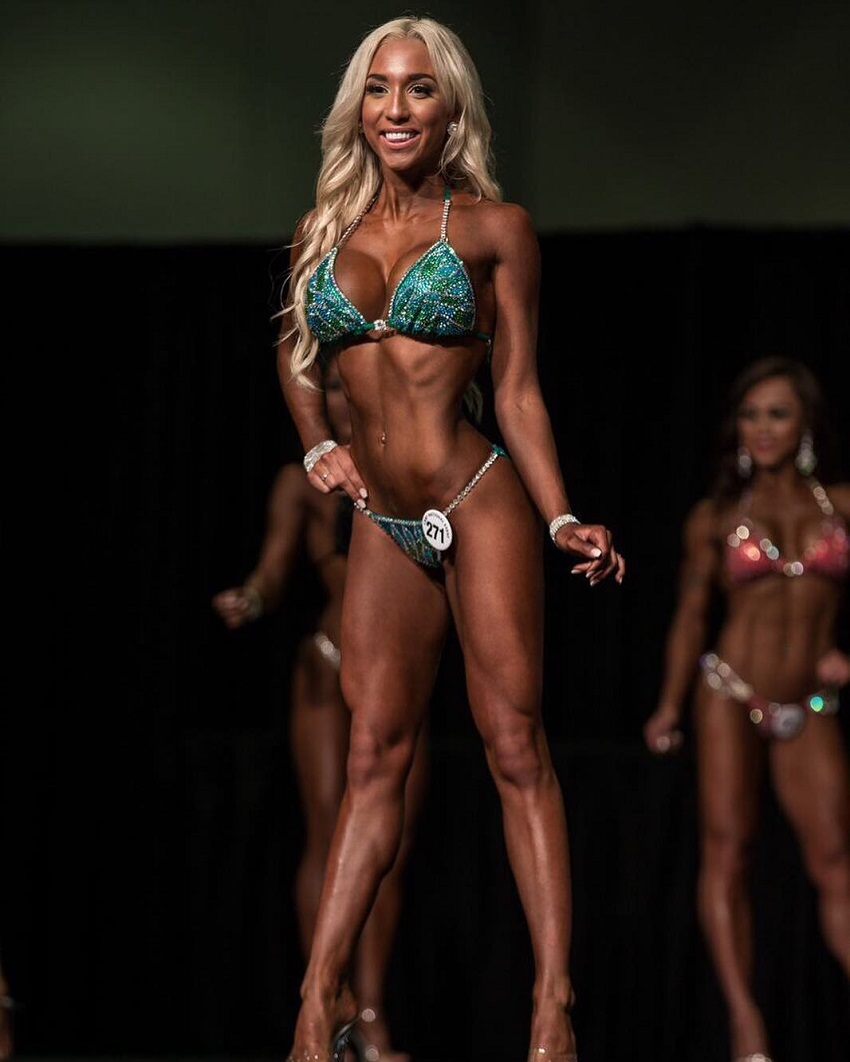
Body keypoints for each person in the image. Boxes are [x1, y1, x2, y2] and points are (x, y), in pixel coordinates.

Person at [274, 15, 626, 1062]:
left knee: (513, 747)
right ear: (358, 106)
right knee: (374, 756)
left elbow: (515, 389)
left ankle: (550, 1008)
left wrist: (560, 512)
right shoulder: (320, 233)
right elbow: (298, 360)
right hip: (382, 519)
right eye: (379, 89)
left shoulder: (492, 229)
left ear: (451, 107)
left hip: (477, 497)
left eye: (419, 90)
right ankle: (313, 1003)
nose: (396, 109)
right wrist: (315, 451)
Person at [212, 351, 426, 1062]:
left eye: (350, 384)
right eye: (330, 387)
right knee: (330, 828)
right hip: (330, 666)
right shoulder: (304, 481)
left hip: (400, 673)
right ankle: (325, 995)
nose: (342, 399)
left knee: (388, 849)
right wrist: (254, 595)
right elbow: (276, 567)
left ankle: (372, 1012)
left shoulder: (416, 462)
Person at [644, 355, 850, 1062]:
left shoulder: (841, 506)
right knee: (727, 853)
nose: (762, 428)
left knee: (834, 863)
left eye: (778, 413)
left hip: (810, 701)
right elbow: (689, 618)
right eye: (751, 414)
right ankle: (745, 1027)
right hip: (729, 692)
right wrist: (668, 706)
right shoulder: (715, 516)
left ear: (806, 425)